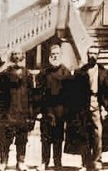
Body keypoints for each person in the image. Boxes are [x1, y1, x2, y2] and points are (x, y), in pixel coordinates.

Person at [0, 49, 35, 171]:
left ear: (22, 56)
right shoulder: (4, 74)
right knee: (4, 139)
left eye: (19, 54)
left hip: (23, 110)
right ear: (11, 57)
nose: (17, 56)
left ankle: (20, 161)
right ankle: (3, 162)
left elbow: (32, 94)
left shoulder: (27, 74)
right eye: (15, 54)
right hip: (7, 111)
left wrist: (32, 112)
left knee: (22, 138)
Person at [73, 46, 108, 171]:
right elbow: (76, 92)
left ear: (98, 55)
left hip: (97, 104)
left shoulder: (104, 72)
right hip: (83, 106)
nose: (92, 56)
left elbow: (107, 92)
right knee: (84, 133)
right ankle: (85, 162)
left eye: (95, 53)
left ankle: (97, 161)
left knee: (97, 133)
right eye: (90, 53)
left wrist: (105, 107)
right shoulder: (80, 72)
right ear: (87, 54)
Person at [37, 43, 72, 171]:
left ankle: (57, 162)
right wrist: (39, 111)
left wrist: (67, 112)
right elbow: (38, 94)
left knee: (58, 138)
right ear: (49, 56)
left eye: (57, 54)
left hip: (60, 110)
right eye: (53, 54)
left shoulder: (66, 72)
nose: (55, 56)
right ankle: (44, 162)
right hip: (47, 109)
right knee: (45, 138)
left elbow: (70, 94)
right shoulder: (44, 73)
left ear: (60, 55)